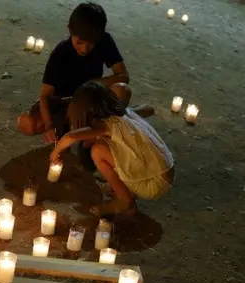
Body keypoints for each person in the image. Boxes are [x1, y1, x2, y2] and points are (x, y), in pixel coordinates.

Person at [17, 2, 148, 171]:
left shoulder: (105, 41)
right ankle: (91, 133)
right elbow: (44, 96)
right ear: (70, 31)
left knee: (122, 90)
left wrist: (91, 85)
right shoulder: (61, 53)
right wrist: (49, 126)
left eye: (90, 44)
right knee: (29, 124)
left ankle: (93, 138)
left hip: (91, 99)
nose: (84, 48)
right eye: (79, 42)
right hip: (65, 106)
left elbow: (123, 76)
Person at [49, 82, 175, 216]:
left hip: (154, 183)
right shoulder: (124, 114)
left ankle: (124, 201)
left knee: (98, 151)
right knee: (104, 143)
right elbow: (147, 109)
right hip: (166, 171)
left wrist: (54, 153)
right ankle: (123, 187)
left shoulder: (106, 126)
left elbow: (71, 137)